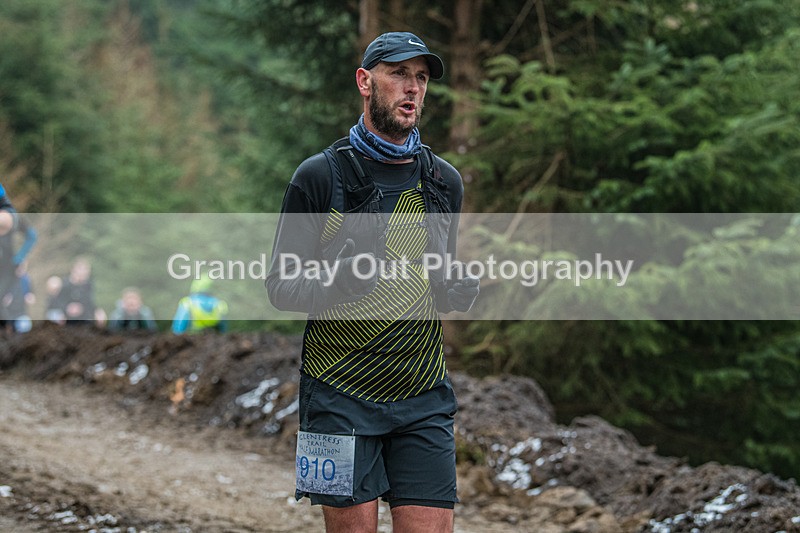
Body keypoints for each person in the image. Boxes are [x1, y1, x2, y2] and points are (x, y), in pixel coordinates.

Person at [266, 32, 479, 533]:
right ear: (365, 82)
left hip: (422, 392)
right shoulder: (319, 176)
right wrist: (336, 284)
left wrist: (453, 290)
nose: (413, 88)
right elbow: (280, 285)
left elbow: (436, 277)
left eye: (421, 78)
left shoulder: (443, 181)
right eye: (399, 74)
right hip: (337, 392)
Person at [49, 257, 107, 326]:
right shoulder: (63, 285)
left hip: (82, 316)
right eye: (81, 270)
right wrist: (67, 308)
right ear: (73, 270)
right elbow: (55, 303)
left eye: (86, 271)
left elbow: (90, 303)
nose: (84, 273)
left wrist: (97, 311)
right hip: (64, 314)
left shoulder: (88, 286)